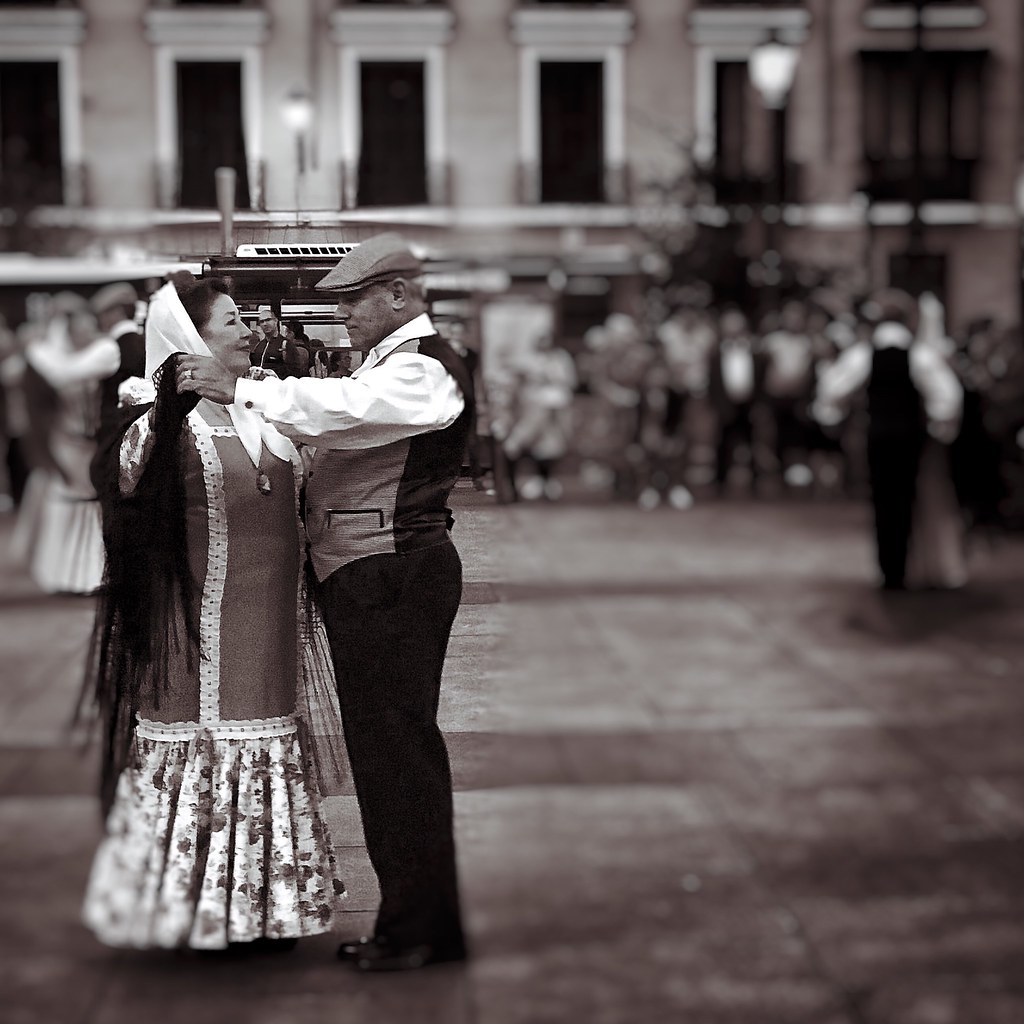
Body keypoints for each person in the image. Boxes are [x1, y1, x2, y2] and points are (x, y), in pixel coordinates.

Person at [176, 233, 473, 972]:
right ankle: (415, 922)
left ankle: (420, 932)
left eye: (354, 301)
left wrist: (234, 386)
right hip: (373, 572)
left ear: (399, 295)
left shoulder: (426, 368)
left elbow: (342, 409)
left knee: (396, 753)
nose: (344, 317)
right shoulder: (397, 363)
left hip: (391, 572)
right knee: (387, 751)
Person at [79, 273, 346, 951]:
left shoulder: (264, 408)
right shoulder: (161, 421)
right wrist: (162, 404)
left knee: (264, 724)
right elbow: (122, 481)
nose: (249, 329)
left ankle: (264, 908)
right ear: (193, 336)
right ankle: (188, 904)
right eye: (232, 320)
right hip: (193, 628)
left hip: (271, 624)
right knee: (208, 731)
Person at [814, 290, 963, 591]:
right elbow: (948, 395)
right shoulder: (920, 354)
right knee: (908, 500)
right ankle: (907, 562)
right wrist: (938, 425)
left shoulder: (863, 354)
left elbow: (831, 389)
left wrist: (831, 418)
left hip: (877, 437)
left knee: (883, 501)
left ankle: (890, 571)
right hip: (910, 438)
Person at [13, 294, 109, 594]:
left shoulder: (95, 355)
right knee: (68, 498)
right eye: (78, 321)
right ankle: (63, 573)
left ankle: (88, 574)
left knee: (88, 501)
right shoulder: (47, 357)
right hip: (64, 438)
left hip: (87, 441)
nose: (85, 327)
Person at [90, 282, 146, 439]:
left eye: (103, 314)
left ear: (117, 312)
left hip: (114, 430)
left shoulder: (111, 347)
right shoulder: (144, 342)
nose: (100, 320)